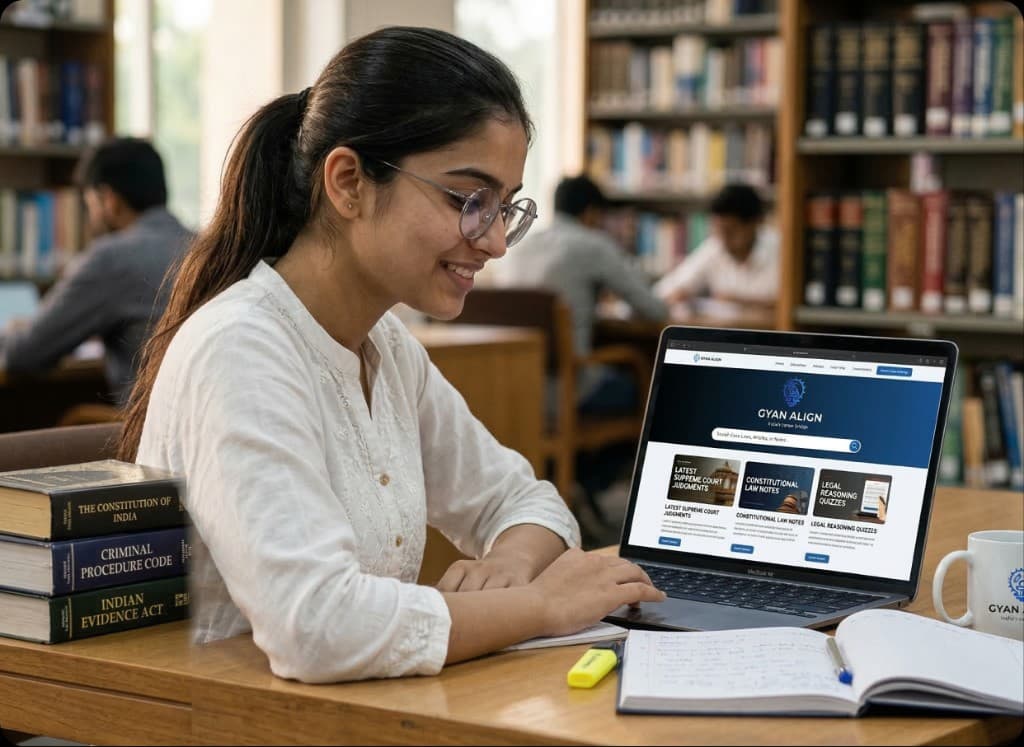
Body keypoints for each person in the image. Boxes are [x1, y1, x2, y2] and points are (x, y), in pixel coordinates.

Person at [116, 27, 665, 684]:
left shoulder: (387, 347)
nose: (494, 243)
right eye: (468, 201)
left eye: (505, 208)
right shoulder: (241, 348)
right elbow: (315, 626)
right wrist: (541, 603)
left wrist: (511, 566)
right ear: (349, 182)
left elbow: (529, 501)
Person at [1, 138, 191, 404]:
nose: (88, 216)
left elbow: (24, 354)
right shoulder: (206, 246)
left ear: (109, 200)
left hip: (143, 433)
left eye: (88, 202)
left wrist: (12, 331)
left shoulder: (111, 258)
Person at [502, 174, 668, 415]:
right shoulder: (592, 244)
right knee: (647, 386)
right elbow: (655, 310)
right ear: (591, 213)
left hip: (518, 386)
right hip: (569, 390)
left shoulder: (519, 244)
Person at [654, 183, 778, 312]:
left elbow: (788, 305)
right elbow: (665, 291)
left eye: (730, 231)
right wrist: (678, 293)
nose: (724, 239)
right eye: (718, 230)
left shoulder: (781, 251)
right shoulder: (715, 247)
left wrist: (738, 301)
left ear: (755, 223)